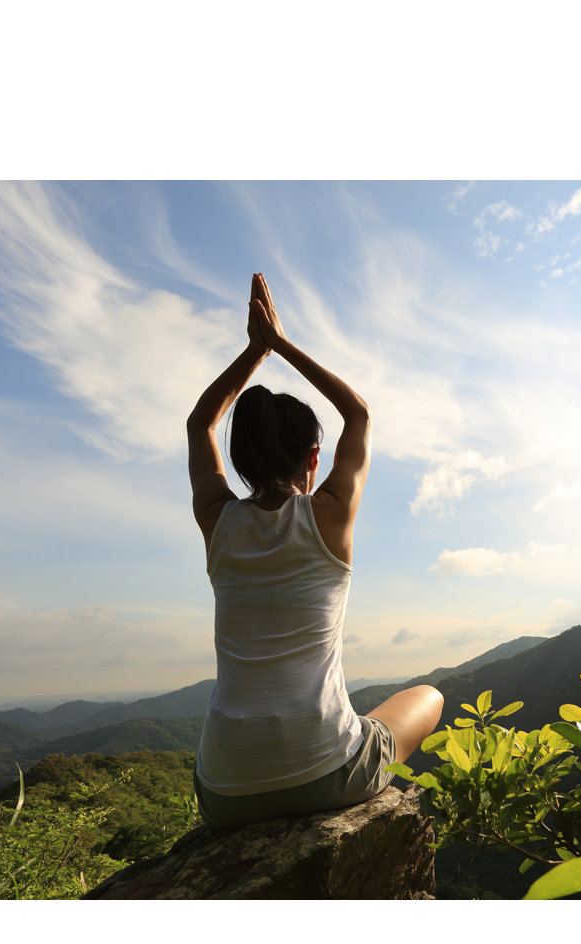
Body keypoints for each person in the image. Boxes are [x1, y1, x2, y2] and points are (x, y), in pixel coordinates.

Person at [186, 273, 443, 827]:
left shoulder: (217, 522)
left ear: (240, 463)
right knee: (429, 695)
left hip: (226, 791)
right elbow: (359, 414)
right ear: (313, 460)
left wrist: (253, 353)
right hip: (327, 773)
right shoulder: (330, 517)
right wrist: (280, 343)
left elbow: (201, 421)